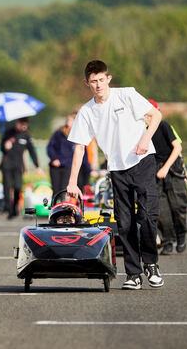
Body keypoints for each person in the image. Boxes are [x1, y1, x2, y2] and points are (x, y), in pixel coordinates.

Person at [66, 59, 163, 290]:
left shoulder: (126, 95)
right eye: (93, 82)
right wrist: (72, 181)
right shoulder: (87, 111)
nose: (98, 85)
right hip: (117, 169)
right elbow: (79, 146)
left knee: (148, 216)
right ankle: (133, 274)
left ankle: (151, 263)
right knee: (125, 222)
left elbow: (156, 115)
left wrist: (145, 139)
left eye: (102, 79)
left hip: (143, 160)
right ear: (86, 83)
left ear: (108, 78)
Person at [146, 99, 187, 255]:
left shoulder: (164, 126)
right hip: (155, 171)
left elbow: (177, 147)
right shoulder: (141, 131)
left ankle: (181, 234)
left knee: (178, 205)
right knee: (161, 210)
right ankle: (168, 241)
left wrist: (167, 168)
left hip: (172, 167)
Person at [0, 117, 42, 219]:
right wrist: (5, 146)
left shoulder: (26, 135)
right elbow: (1, 147)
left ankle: (15, 207)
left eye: (25, 125)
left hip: (18, 166)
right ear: (17, 123)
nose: (23, 127)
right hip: (7, 165)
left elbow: (32, 151)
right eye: (22, 124)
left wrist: (37, 166)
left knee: (18, 187)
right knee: (7, 187)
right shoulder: (8, 132)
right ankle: (9, 209)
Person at [47, 112, 91, 195]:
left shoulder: (78, 134)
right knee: (55, 190)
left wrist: (89, 169)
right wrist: (54, 159)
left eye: (70, 120)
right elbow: (50, 147)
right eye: (68, 120)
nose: (68, 121)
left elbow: (83, 154)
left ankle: (64, 206)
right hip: (56, 167)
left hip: (68, 167)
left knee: (64, 190)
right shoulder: (59, 133)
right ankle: (55, 206)